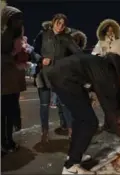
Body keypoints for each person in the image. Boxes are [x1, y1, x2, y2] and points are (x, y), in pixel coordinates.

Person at [46, 52, 120, 174]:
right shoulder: (107, 74)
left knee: (80, 119)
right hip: (66, 79)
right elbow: (110, 107)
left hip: (62, 75)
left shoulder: (105, 64)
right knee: (90, 122)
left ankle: (74, 155)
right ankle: (71, 166)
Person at [32, 14, 81, 142]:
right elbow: (33, 52)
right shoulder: (42, 35)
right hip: (43, 75)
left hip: (60, 76)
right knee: (44, 105)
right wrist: (41, 60)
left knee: (65, 104)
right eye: (58, 23)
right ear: (53, 22)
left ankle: (71, 131)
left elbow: (77, 54)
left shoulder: (67, 38)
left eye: (63, 24)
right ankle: (45, 132)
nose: (60, 26)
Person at [1, 4, 28, 155]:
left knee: (10, 112)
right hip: (4, 79)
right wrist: (12, 57)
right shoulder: (2, 34)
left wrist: (24, 55)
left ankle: (8, 140)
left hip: (15, 79)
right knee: (3, 114)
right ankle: (4, 143)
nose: (19, 21)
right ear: (8, 18)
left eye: (20, 18)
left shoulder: (17, 33)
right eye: (15, 18)